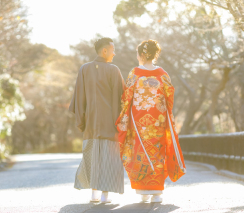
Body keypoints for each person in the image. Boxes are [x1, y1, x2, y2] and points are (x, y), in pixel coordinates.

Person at [115, 39, 186, 203]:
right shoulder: (162, 73)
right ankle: (157, 192)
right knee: (157, 153)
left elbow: (127, 97)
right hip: (158, 120)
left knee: (139, 152)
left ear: (140, 55)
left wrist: (125, 113)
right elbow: (169, 96)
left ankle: (143, 191)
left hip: (138, 121)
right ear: (155, 54)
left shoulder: (135, 73)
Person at [69, 37, 125, 203]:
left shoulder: (84, 69)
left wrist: (81, 120)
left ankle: (94, 194)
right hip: (110, 123)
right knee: (108, 158)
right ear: (105, 50)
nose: (114, 53)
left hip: (91, 123)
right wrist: (121, 121)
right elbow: (123, 97)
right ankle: (104, 195)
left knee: (92, 157)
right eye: (112, 50)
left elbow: (79, 98)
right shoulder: (113, 70)